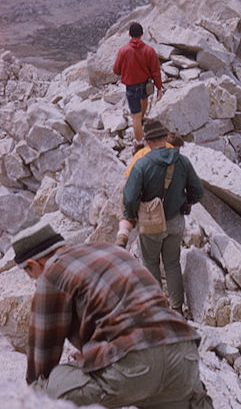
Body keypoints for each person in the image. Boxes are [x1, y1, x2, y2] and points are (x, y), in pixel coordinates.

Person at [12, 220, 213, 408]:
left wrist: (34, 391)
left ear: (33, 264)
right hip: (184, 356)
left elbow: (42, 357)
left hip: (136, 365)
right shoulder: (107, 249)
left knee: (46, 390)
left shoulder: (52, 273)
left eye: (30, 274)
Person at [122, 119, 204, 312]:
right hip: (176, 221)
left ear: (147, 141)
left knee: (150, 263)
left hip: (151, 224)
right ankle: (177, 309)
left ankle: (159, 309)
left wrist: (132, 215)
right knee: (172, 263)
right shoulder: (182, 161)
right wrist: (185, 203)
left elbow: (129, 197)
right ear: (166, 137)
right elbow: (198, 191)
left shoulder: (141, 165)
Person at [115, 129, 186, 249]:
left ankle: (122, 236)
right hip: (147, 186)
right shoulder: (171, 155)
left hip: (127, 182)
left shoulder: (144, 150)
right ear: (176, 146)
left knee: (127, 215)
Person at [113, 22, 163, 152]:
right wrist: (159, 87)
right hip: (145, 84)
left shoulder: (123, 51)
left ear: (129, 35)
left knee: (135, 115)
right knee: (144, 100)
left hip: (131, 86)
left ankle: (139, 143)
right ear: (142, 34)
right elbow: (156, 71)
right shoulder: (149, 50)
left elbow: (116, 70)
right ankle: (142, 121)